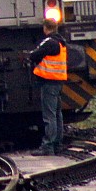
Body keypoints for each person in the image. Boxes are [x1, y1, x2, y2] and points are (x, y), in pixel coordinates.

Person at [28, 19, 68, 155]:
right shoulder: (61, 42)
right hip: (58, 81)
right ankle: (57, 144)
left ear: (45, 28)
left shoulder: (49, 42)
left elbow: (34, 55)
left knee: (49, 115)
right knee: (57, 114)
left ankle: (48, 146)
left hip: (49, 82)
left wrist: (31, 56)